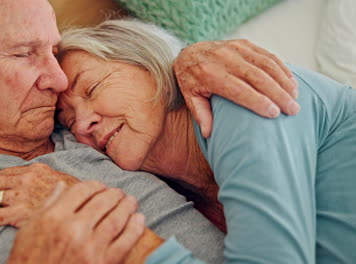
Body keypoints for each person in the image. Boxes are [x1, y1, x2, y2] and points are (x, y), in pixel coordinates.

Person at [0, 0, 298, 263]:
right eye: (24, 53)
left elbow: (155, 94)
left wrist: (185, 57)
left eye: (52, 50)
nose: (57, 78)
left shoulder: (96, 129)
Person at [47, 19, 356, 263]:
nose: (83, 124)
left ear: (148, 63)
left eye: (92, 88)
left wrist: (132, 245)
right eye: (69, 121)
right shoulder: (176, 197)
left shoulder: (240, 100)